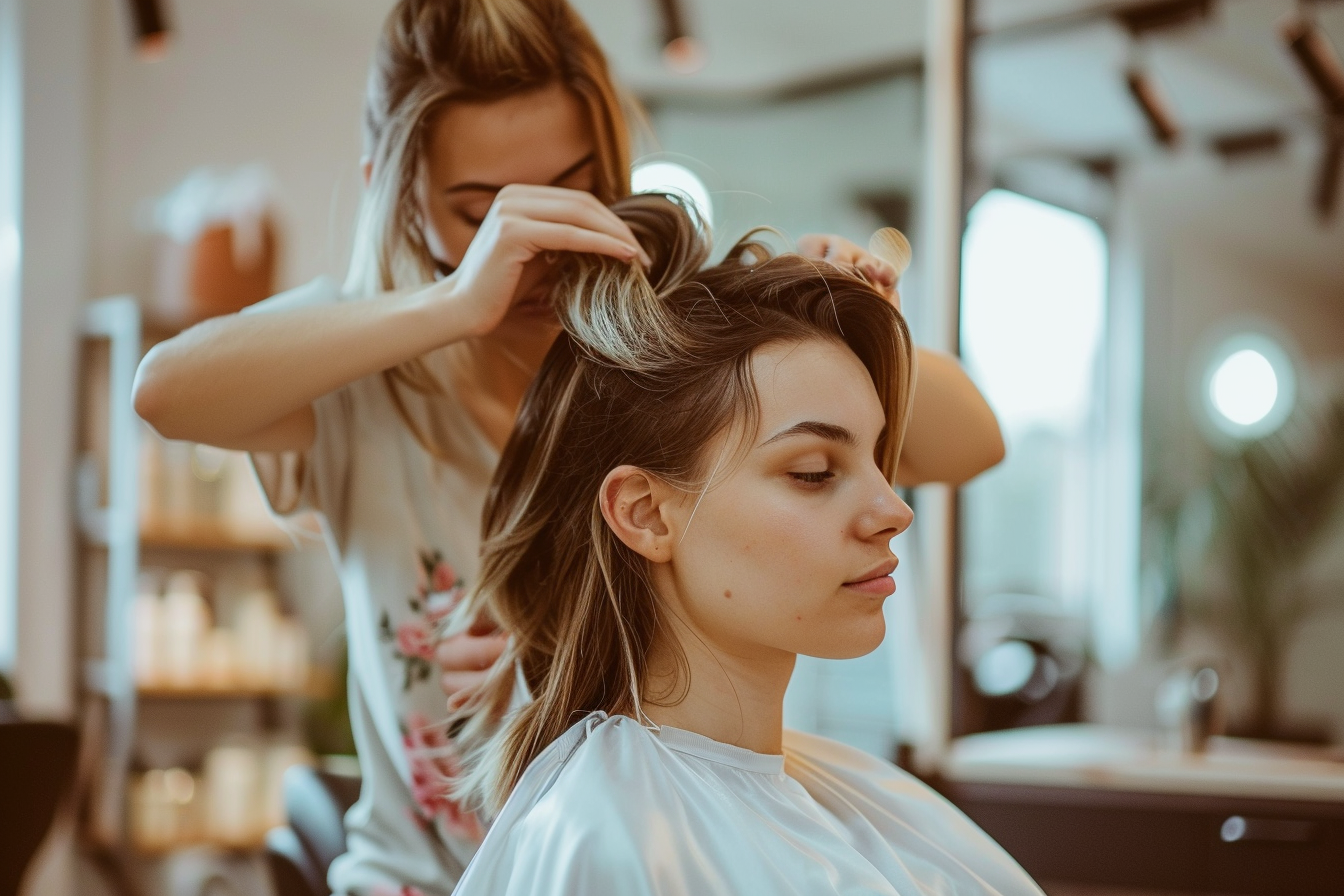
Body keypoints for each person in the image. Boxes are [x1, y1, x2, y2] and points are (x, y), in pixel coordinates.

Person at [132, 1, 1004, 893]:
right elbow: (164, 390)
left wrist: (837, 328)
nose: (538, 244)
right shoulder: (362, 382)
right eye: (481, 213)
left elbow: (972, 440)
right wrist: (454, 306)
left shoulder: (653, 363)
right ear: (397, 196)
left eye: (573, 185)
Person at [446, 193, 1040, 895]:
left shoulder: (850, 800)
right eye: (813, 473)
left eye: (882, 459)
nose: (892, 509)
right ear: (647, 515)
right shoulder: (605, 841)